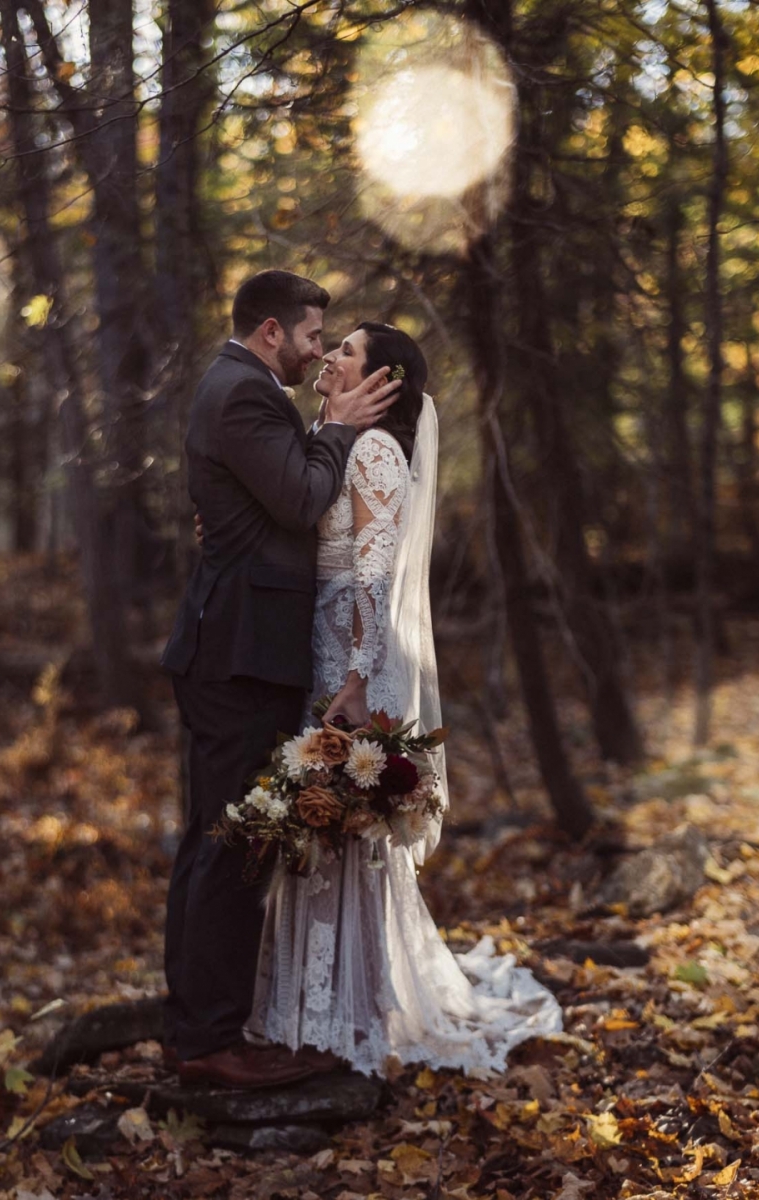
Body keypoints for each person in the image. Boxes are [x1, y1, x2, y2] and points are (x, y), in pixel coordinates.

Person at [245, 321, 564, 1077]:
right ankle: (300, 1003)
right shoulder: (326, 436)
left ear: (383, 381)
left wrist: (357, 679)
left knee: (340, 829)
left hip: (348, 664)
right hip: (313, 655)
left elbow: (373, 574)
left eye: (346, 350)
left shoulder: (377, 449)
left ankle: (345, 1014)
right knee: (312, 827)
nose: (328, 356)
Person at [159, 271, 402, 1089]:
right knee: (228, 849)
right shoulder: (244, 395)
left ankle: (196, 1028)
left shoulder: (245, 392)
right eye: (309, 337)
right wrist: (334, 427)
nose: (317, 351)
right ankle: (209, 1042)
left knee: (215, 843)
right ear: (270, 331)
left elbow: (268, 503)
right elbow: (301, 500)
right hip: (238, 652)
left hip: (238, 645)